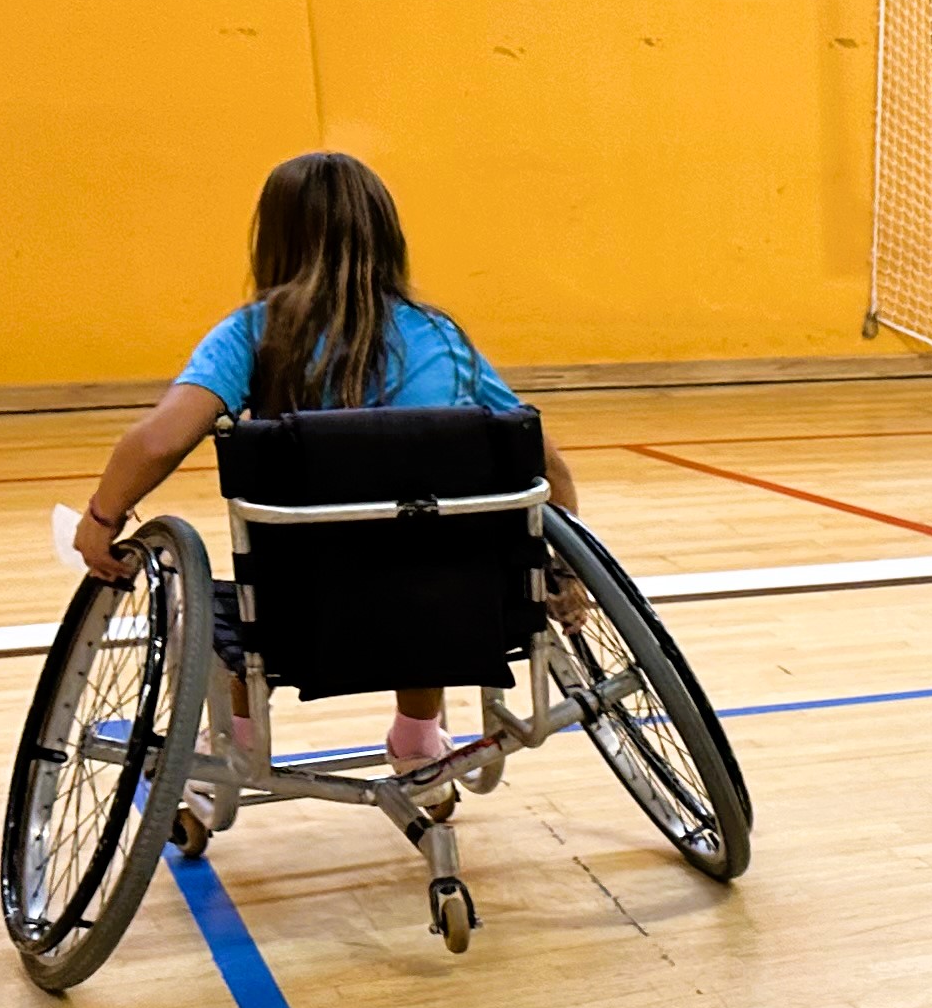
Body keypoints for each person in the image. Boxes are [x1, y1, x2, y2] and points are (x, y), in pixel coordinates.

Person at [71, 151, 575, 774]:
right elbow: (546, 461)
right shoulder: (443, 335)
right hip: (458, 611)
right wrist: (564, 575)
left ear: (272, 238)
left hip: (303, 615)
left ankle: (243, 738)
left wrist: (101, 517)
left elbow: (155, 443)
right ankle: (418, 741)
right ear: (388, 235)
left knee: (209, 596)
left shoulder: (254, 334)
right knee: (422, 550)